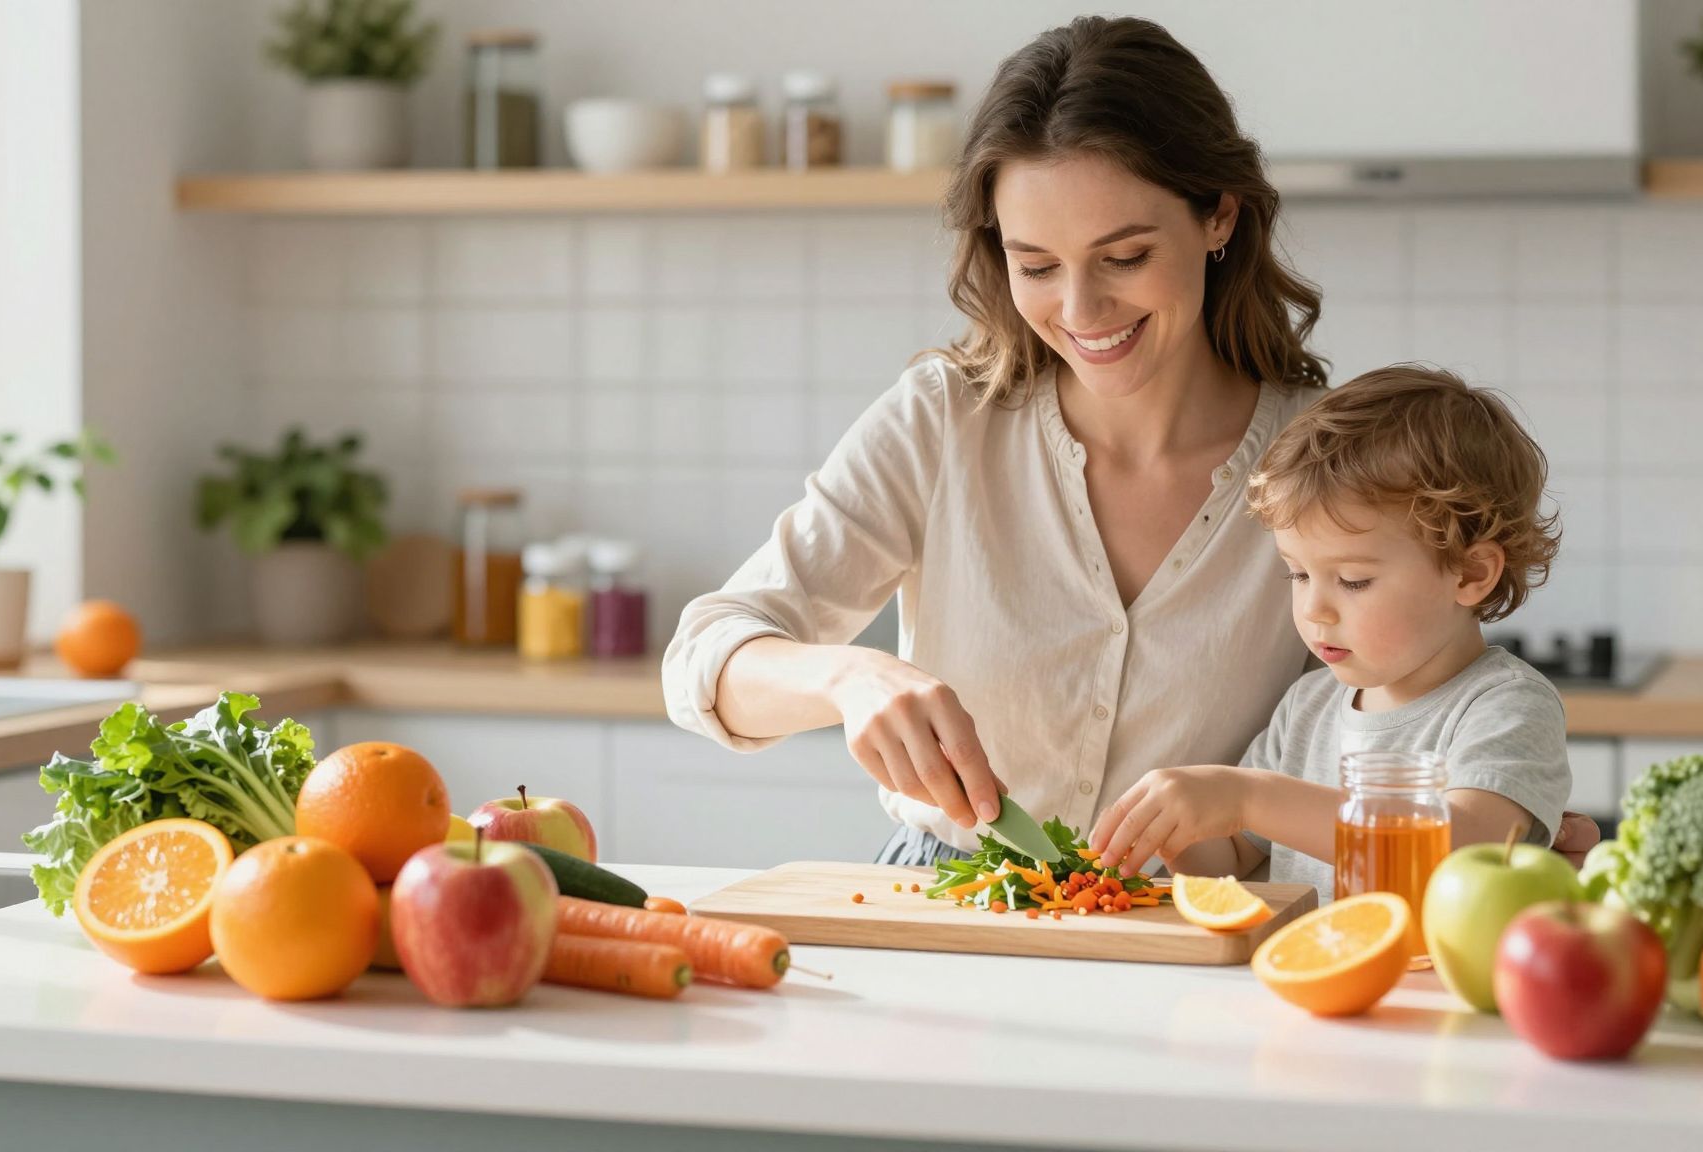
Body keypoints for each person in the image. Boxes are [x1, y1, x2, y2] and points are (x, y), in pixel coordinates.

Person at [663, 16, 1599, 869]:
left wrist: (1493, 836)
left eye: (1124, 258)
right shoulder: (944, 420)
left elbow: (1397, 710)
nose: (1080, 311)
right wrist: (848, 677)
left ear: (1219, 216)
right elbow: (704, 659)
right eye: (1036, 265)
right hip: (953, 897)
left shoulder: (1315, 465)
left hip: (1203, 931)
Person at [1089, 366, 1575, 896]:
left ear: (1471, 573)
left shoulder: (1504, 707)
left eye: (1353, 580)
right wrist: (1176, 829)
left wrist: (1250, 796)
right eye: (1298, 573)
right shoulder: (1309, 707)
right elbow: (1230, 863)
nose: (1314, 608)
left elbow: (1465, 852)